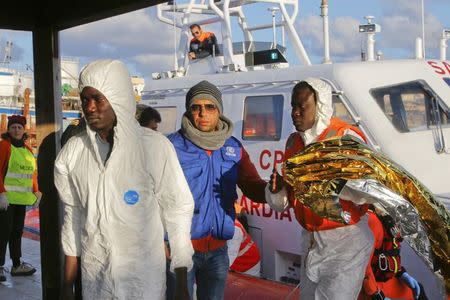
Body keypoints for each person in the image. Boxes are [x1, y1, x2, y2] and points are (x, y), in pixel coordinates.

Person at [54, 59, 194, 299]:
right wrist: (68, 285)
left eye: (99, 99)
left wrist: (181, 284)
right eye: (85, 100)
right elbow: (73, 217)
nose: (89, 107)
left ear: (118, 98)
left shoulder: (153, 148)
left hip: (144, 284)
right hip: (96, 282)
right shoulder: (73, 154)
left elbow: (177, 211)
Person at [266, 78, 374, 300]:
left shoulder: (344, 138)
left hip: (346, 242)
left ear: (320, 106)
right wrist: (276, 192)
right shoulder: (293, 144)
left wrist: (327, 180)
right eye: (293, 107)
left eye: (302, 107)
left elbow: (368, 189)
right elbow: (284, 202)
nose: (295, 113)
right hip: (311, 242)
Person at [167, 80, 267, 300]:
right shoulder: (170, 146)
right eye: (196, 107)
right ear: (189, 110)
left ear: (219, 111)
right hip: (181, 250)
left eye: (210, 107)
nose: (203, 113)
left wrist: (273, 191)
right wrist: (165, 244)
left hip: (219, 251)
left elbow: (251, 185)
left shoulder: (233, 147)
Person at [0, 115, 40, 281]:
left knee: (16, 232)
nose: (16, 130)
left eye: (19, 127)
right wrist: (1, 193)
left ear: (24, 131)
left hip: (21, 200)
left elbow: (32, 174)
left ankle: (17, 264)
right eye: (13, 127)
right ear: (8, 130)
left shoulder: (28, 150)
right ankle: (0, 267)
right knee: (3, 233)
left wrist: (36, 191)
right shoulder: (4, 146)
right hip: (6, 200)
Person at [360, 208, 427, 300]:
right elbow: (362, 267)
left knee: (419, 291)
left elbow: (390, 253)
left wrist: (401, 273)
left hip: (381, 279)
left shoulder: (389, 223)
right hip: (366, 288)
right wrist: (377, 295)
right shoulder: (372, 221)